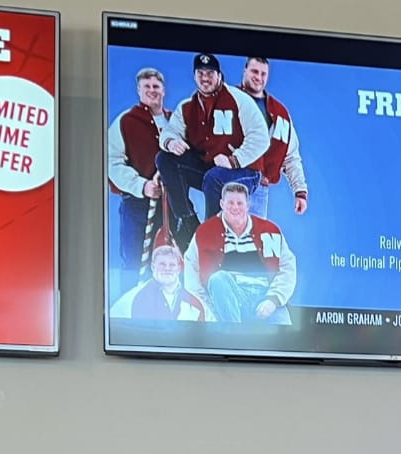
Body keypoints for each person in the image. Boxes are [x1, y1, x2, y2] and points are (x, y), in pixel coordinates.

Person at [156, 52, 269, 250]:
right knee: (165, 159)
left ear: (219, 75)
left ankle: (213, 236)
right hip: (209, 170)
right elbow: (168, 133)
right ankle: (188, 221)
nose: (205, 78)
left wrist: (235, 159)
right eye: (200, 73)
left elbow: (261, 138)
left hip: (245, 171)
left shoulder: (238, 99)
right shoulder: (187, 107)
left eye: (210, 73)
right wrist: (171, 142)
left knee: (214, 178)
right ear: (194, 76)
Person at [183, 180, 296, 324]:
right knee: (218, 279)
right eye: (230, 203)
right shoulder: (205, 232)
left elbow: (287, 267)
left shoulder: (269, 230)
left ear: (248, 205)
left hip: (265, 296)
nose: (235, 207)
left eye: (240, 203)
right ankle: (233, 337)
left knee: (284, 333)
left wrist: (273, 300)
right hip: (227, 298)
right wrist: (209, 308)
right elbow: (191, 273)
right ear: (222, 204)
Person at [107, 66, 174, 282]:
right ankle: (129, 310)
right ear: (139, 90)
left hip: (172, 205)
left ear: (164, 90)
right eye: (147, 86)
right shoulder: (125, 122)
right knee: (134, 262)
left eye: (156, 86)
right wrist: (142, 186)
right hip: (136, 205)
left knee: (173, 262)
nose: (152, 90)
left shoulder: (176, 122)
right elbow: (112, 163)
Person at [237, 57, 308, 219]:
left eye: (263, 74)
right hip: (230, 184)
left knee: (254, 242)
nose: (258, 77)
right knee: (222, 240)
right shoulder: (227, 99)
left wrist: (300, 191)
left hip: (259, 189)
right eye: (254, 71)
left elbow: (291, 157)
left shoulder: (280, 113)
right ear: (245, 71)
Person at [109, 244, 209, 321]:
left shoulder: (195, 303)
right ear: (153, 267)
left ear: (179, 269)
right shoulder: (132, 299)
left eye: (172, 265)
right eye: (162, 264)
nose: (167, 269)